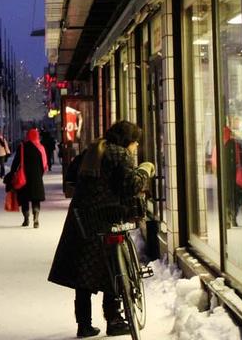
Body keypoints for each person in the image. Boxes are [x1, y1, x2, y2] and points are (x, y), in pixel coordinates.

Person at [48, 121, 155, 338]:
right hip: (108, 217)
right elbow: (131, 185)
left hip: (83, 218)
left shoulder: (93, 150)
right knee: (112, 268)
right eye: (135, 142)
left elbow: (71, 176)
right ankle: (114, 320)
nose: (135, 147)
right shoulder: (120, 154)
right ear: (128, 141)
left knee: (84, 272)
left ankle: (84, 324)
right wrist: (145, 170)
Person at [8, 128, 47, 228]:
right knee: (35, 198)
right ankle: (36, 217)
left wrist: (12, 173)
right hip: (36, 176)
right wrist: (40, 174)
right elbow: (44, 164)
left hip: (23, 176)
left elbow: (16, 162)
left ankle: (26, 219)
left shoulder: (22, 147)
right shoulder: (41, 147)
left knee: (24, 198)